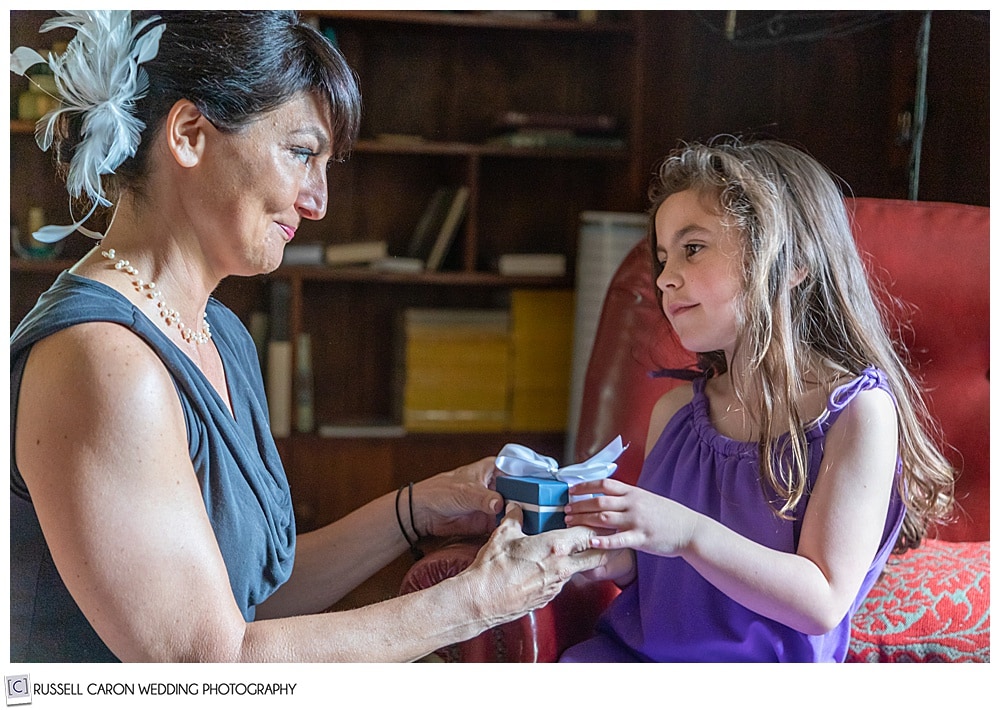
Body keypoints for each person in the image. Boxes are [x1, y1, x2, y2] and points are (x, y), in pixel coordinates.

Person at [9, 10, 607, 663]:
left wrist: (414, 510)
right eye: (301, 152)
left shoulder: (220, 333)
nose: (318, 200)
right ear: (188, 134)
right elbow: (206, 664)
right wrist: (477, 602)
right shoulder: (102, 362)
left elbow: (247, 601)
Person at [559, 137, 956, 662]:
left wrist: (683, 531)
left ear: (791, 263)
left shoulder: (859, 414)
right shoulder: (674, 413)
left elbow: (822, 599)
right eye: (661, 258)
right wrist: (614, 552)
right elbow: (666, 577)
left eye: (692, 248)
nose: (664, 278)